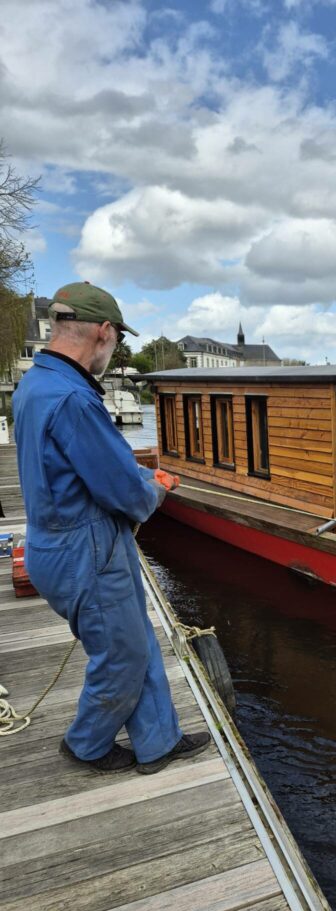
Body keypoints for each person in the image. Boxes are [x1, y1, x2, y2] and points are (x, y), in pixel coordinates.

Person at [12, 282, 210, 774]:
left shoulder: (35, 386)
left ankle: (158, 740)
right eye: (117, 339)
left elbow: (94, 465)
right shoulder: (75, 400)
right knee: (121, 657)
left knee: (135, 642)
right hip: (87, 552)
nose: (115, 349)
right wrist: (157, 485)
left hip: (56, 543)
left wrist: (140, 475)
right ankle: (87, 743)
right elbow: (127, 494)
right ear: (103, 332)